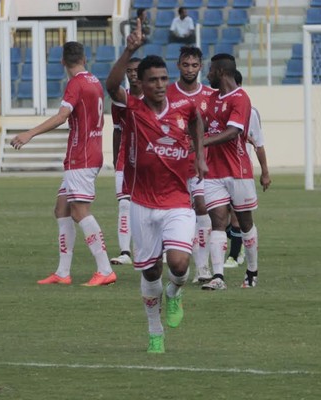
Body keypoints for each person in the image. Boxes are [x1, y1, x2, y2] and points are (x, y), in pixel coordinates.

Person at [106, 21, 208, 353]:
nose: (161, 85)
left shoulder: (184, 106)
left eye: (164, 78)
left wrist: (200, 155)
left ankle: (175, 293)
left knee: (178, 264)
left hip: (177, 200)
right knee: (151, 271)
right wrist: (130, 50)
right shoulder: (132, 110)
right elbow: (110, 86)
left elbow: (196, 121)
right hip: (142, 204)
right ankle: (155, 331)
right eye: (154, 80)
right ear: (142, 83)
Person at [11, 41, 117, 287]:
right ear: (85, 58)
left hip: (83, 156)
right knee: (62, 209)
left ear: (62, 62)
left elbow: (62, 116)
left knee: (80, 212)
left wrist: (29, 133)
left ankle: (105, 269)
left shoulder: (76, 84)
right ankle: (62, 272)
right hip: (84, 153)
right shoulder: (93, 81)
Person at [200, 53, 260, 290]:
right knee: (217, 222)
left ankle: (252, 271)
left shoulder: (241, 98)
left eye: (211, 71)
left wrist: (202, 142)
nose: (208, 74)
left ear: (222, 72)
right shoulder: (211, 99)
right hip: (214, 173)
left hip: (238, 171)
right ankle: (218, 277)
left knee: (245, 223)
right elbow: (202, 125)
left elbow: (233, 132)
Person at [166, 45, 215, 284]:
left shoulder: (208, 95)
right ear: (178, 65)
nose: (189, 69)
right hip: (171, 164)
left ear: (201, 66)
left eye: (194, 65)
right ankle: (175, 256)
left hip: (199, 164)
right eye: (185, 64)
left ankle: (203, 267)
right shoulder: (167, 94)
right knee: (179, 213)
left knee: (202, 208)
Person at [224, 70, 271, 269]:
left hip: (240, 170)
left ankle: (235, 255)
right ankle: (242, 241)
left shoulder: (250, 111)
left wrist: (265, 172)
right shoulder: (215, 106)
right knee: (218, 216)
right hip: (216, 170)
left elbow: (258, 144)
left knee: (236, 213)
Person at [109, 57, 143, 266]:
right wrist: (115, 159)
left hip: (149, 157)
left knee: (149, 205)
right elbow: (117, 129)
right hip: (125, 157)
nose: (132, 74)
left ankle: (152, 249)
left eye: (136, 70)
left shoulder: (154, 98)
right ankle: (125, 252)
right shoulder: (120, 99)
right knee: (124, 203)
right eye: (129, 71)